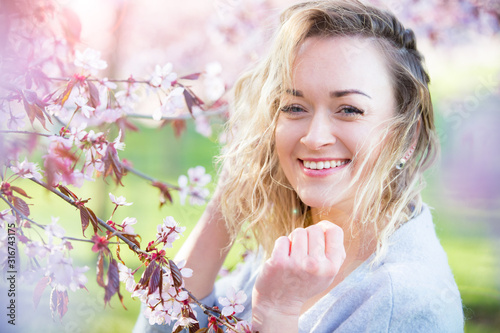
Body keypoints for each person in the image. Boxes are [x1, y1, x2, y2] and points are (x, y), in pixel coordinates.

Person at [134, 0, 464, 332]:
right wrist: (232, 192)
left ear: (405, 138)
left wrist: (278, 312)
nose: (314, 137)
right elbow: (165, 322)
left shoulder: (407, 305)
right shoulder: (297, 244)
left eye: (349, 109)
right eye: (294, 106)